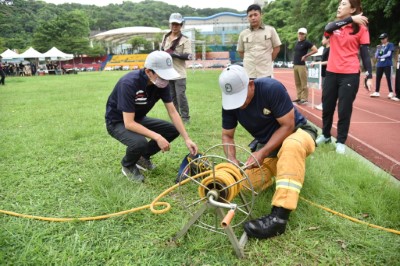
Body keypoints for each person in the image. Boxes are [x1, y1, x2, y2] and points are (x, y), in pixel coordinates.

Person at [218, 65, 317, 239]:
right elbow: (227, 136)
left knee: (291, 146)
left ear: (250, 84)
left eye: (241, 98)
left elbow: (288, 125)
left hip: (298, 133)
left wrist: (262, 152)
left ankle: (279, 218)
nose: (239, 105)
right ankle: (282, 172)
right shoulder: (230, 104)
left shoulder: (271, 88)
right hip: (269, 146)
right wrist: (232, 159)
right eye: (234, 100)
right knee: (244, 184)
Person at [105, 51, 198, 182]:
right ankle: (128, 165)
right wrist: (157, 136)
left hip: (138, 118)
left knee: (172, 130)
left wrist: (187, 139)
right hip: (117, 122)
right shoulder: (129, 83)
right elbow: (129, 123)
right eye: (162, 75)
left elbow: (172, 111)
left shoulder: (160, 83)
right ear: (149, 72)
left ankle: (142, 159)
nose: (166, 80)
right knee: (139, 142)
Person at [316, 0, 373, 154]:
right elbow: (327, 29)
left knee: (344, 109)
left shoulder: (361, 28)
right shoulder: (334, 25)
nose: (339, 6)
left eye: (343, 4)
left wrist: (369, 75)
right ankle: (326, 135)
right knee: (327, 106)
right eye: (339, 4)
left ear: (353, 8)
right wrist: (349, 19)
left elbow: (365, 54)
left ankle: (341, 141)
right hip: (331, 73)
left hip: (350, 74)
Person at [161, 13, 193, 124]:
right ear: (170, 24)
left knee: (181, 96)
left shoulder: (185, 40)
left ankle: (185, 118)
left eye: (177, 24)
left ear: (181, 25)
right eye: (173, 24)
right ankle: (176, 117)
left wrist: (174, 54)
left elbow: (189, 56)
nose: (175, 26)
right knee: (171, 96)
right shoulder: (165, 37)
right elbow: (161, 51)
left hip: (179, 73)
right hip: (168, 72)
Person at [237, 4, 281, 79]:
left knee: (266, 91)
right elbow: (240, 52)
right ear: (248, 18)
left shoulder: (270, 30)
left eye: (255, 15)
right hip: (249, 73)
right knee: (250, 91)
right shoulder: (243, 34)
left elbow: (277, 48)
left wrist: (268, 59)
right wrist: (250, 60)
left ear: (261, 15)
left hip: (265, 72)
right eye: (250, 16)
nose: (253, 18)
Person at [292, 28, 318, 105]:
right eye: (299, 33)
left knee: (303, 83)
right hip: (295, 65)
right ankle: (299, 97)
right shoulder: (297, 42)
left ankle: (304, 98)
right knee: (297, 83)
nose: (300, 35)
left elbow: (315, 50)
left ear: (305, 35)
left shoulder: (306, 42)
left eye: (302, 34)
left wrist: (306, 55)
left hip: (301, 65)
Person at [370, 33, 395, 99]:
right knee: (378, 78)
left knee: (388, 78)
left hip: (387, 64)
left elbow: (389, 54)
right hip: (380, 64)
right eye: (381, 39)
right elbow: (376, 56)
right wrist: (378, 50)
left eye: (383, 38)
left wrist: (380, 57)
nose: (382, 40)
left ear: (386, 38)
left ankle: (391, 92)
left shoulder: (390, 45)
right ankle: (377, 92)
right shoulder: (380, 46)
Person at [311, 35, 331, 110]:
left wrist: (317, 63)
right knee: (324, 88)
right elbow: (323, 61)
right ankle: (324, 103)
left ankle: (324, 104)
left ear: (328, 39)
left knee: (326, 89)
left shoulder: (330, 49)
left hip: (328, 71)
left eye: (323, 38)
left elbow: (329, 61)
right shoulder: (325, 49)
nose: (322, 40)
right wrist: (316, 62)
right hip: (323, 71)